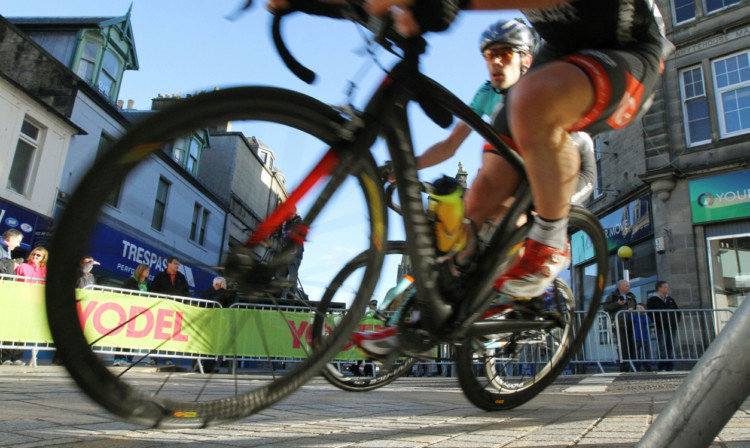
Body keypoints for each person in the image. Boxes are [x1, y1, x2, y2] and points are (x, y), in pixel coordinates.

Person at [603, 279, 637, 372]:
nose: (629, 287)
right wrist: (617, 304)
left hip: (630, 323)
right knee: (623, 345)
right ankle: (624, 366)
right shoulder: (612, 296)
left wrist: (632, 309)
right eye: (626, 286)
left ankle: (633, 365)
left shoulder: (631, 296)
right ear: (620, 287)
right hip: (619, 324)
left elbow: (635, 305)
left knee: (632, 345)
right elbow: (606, 308)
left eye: (629, 285)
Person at [647, 281, 680, 372]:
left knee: (670, 347)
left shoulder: (670, 299)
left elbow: (677, 311)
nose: (667, 289)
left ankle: (671, 366)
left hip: (672, 326)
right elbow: (650, 313)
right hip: (661, 327)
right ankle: (663, 366)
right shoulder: (653, 300)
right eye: (665, 287)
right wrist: (658, 322)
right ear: (659, 288)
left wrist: (675, 321)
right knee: (662, 347)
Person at [627, 303, 653, 372]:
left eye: (640, 308)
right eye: (637, 308)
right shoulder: (635, 316)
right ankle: (636, 367)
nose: (638, 309)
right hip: (636, 337)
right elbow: (629, 319)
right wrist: (630, 312)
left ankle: (648, 367)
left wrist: (644, 314)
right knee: (636, 353)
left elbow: (648, 321)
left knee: (646, 353)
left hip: (645, 337)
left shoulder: (646, 316)